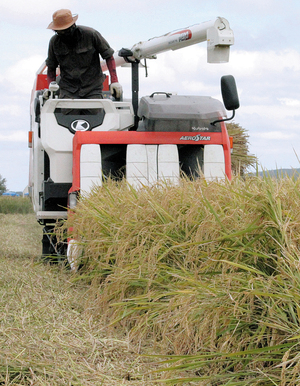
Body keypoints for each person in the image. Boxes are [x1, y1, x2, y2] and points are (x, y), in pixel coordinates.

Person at [46, 9, 122, 100]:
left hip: (92, 88)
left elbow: (109, 56)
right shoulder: (54, 42)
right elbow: (51, 66)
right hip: (68, 89)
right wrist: (51, 85)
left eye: (66, 31)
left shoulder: (91, 35)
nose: (64, 35)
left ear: (73, 26)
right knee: (69, 112)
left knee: (94, 112)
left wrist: (114, 81)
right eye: (59, 32)